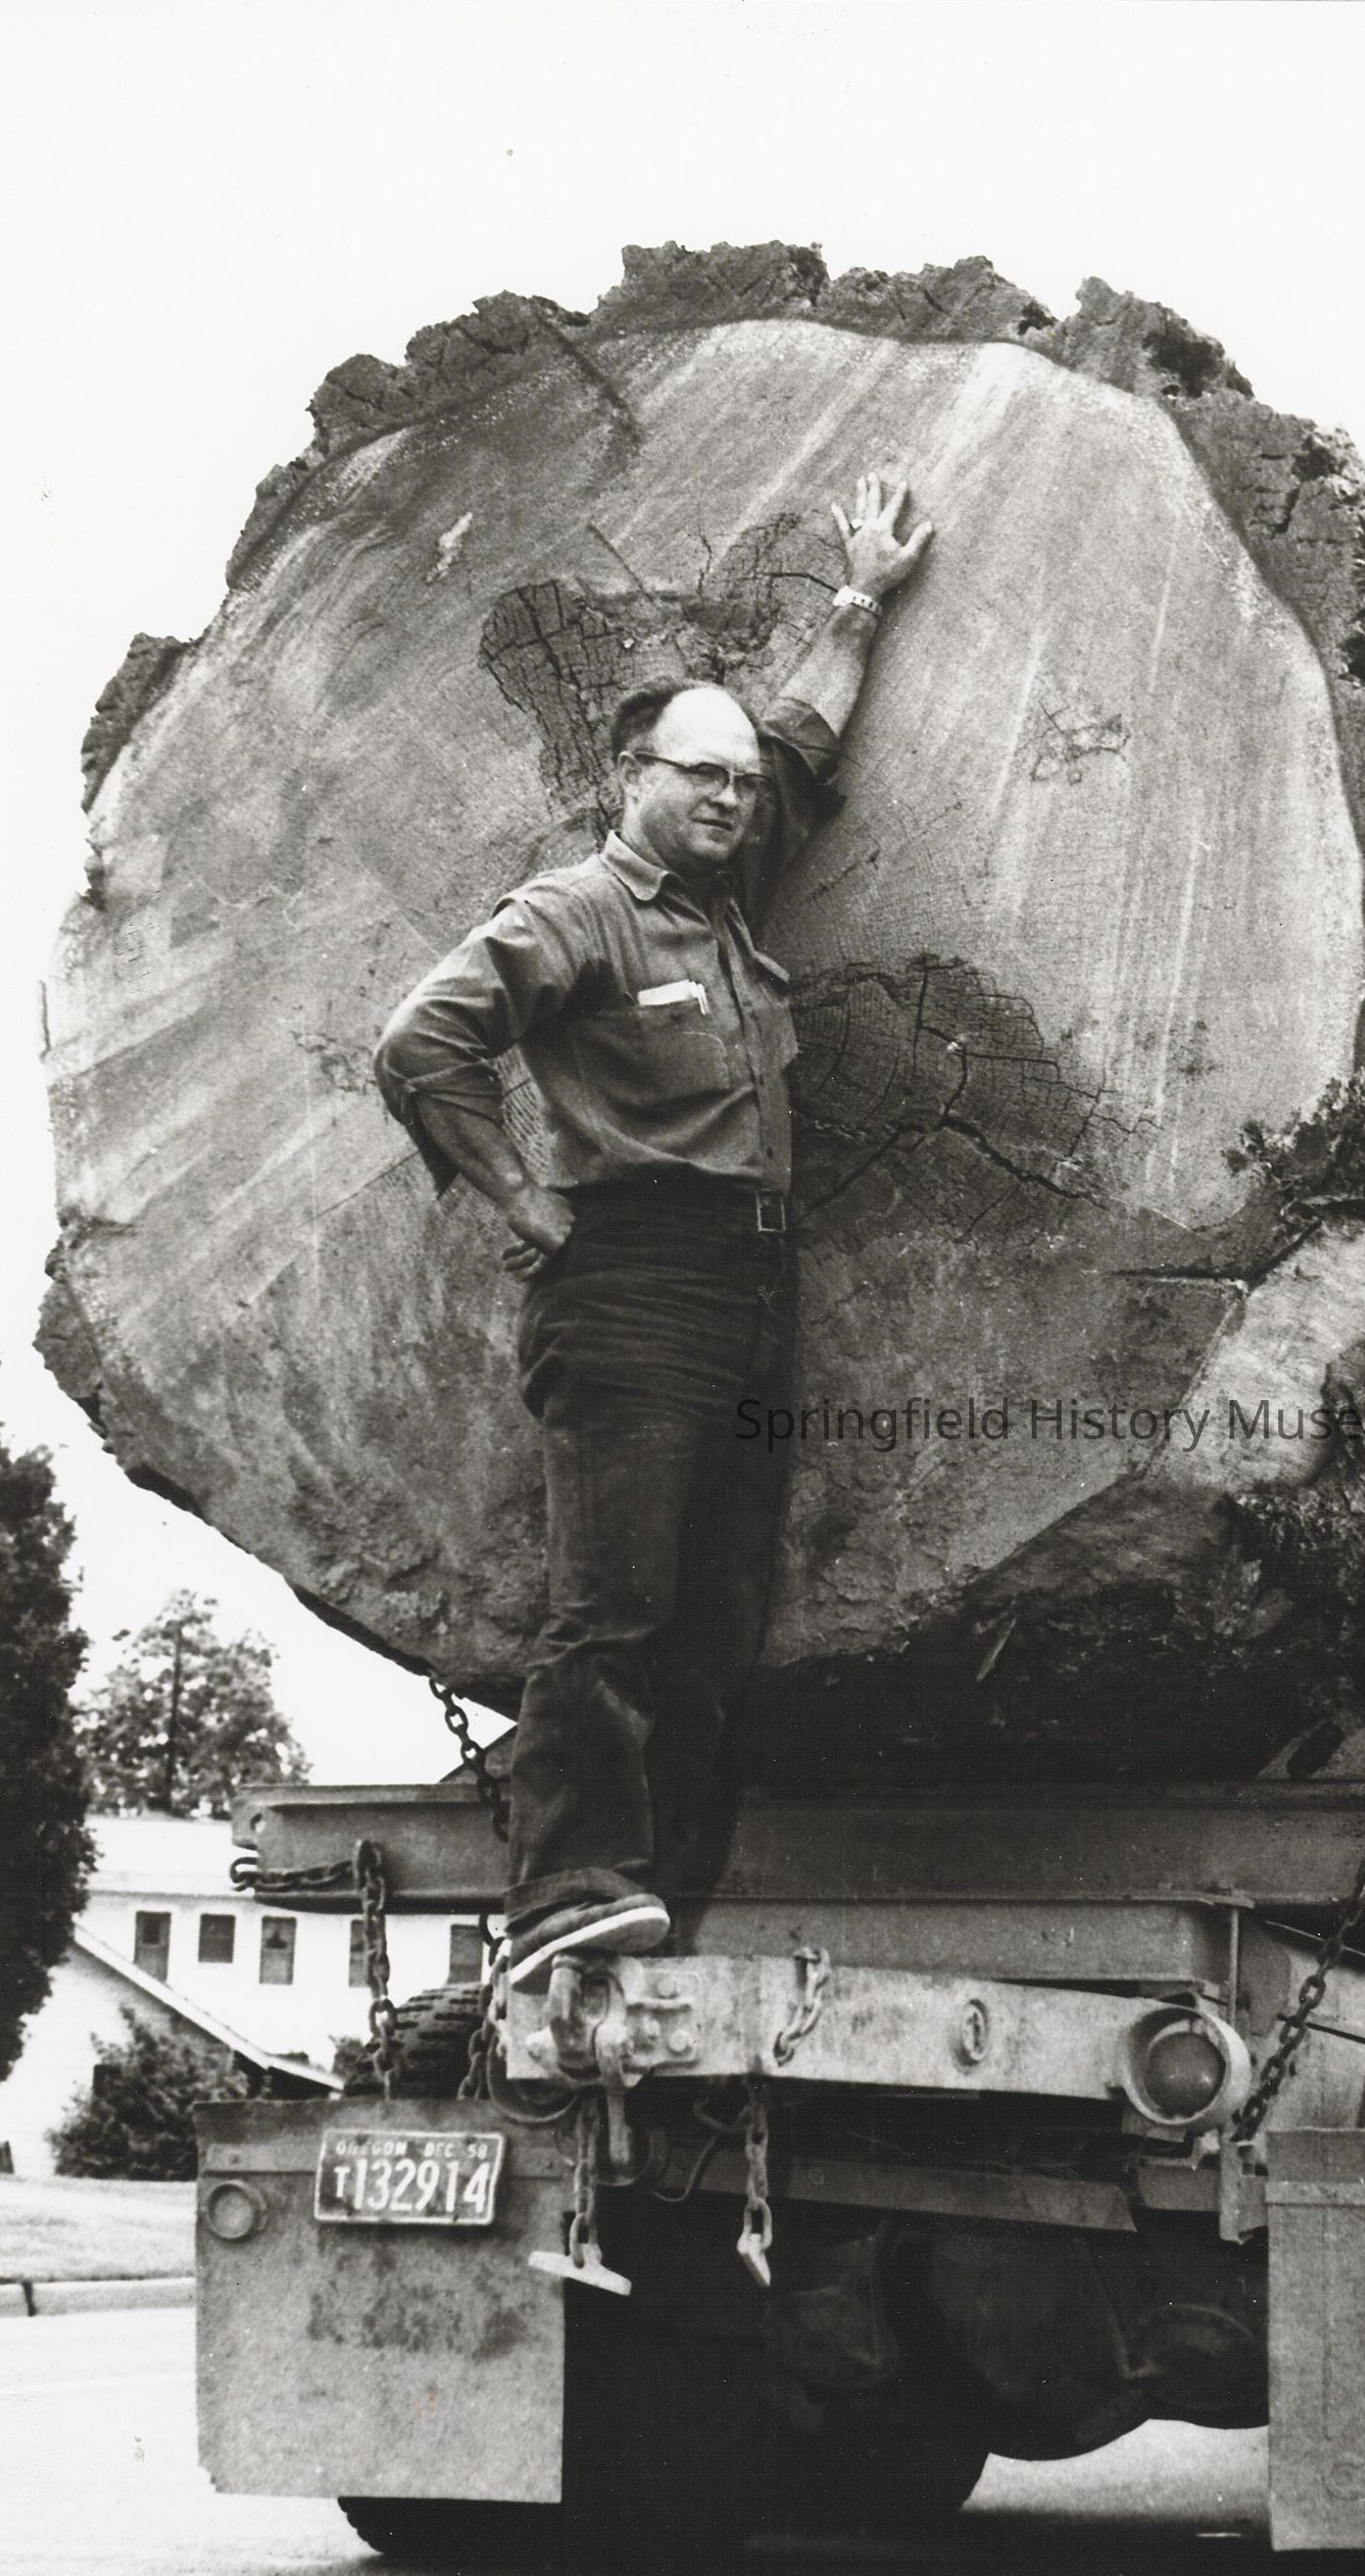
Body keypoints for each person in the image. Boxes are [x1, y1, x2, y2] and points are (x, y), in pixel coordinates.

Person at [374, 472, 932, 1989]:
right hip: (628, 1285)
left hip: (749, 1284)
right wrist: (520, 1197)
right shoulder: (577, 913)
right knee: (614, 1605)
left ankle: (653, 1908)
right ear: (633, 779)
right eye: (700, 778)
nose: (731, 799)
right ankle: (563, 1890)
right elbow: (421, 1045)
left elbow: (802, 736)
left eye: (738, 784)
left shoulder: (728, 893)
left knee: (714, 1619)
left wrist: (859, 599)